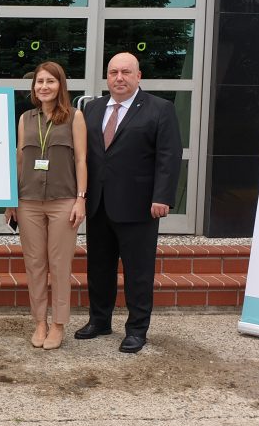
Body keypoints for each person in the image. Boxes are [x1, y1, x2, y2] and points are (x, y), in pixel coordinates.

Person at [75, 52, 181, 354]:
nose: (119, 77)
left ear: (138, 76)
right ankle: (100, 320)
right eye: (113, 72)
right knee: (99, 267)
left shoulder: (160, 109)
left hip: (139, 207)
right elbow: (85, 158)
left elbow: (168, 156)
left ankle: (136, 329)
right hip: (99, 205)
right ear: (107, 77)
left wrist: (163, 196)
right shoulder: (92, 110)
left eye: (125, 72)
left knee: (138, 271)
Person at [5, 61, 87, 350]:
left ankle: (58, 324)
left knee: (60, 264)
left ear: (60, 85)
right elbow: (19, 159)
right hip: (28, 202)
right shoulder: (25, 119)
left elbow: (81, 160)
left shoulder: (75, 117)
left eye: (50, 81)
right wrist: (10, 200)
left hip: (63, 201)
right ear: (34, 87)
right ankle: (39, 321)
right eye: (39, 82)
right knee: (35, 264)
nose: (44, 87)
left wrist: (80, 199)